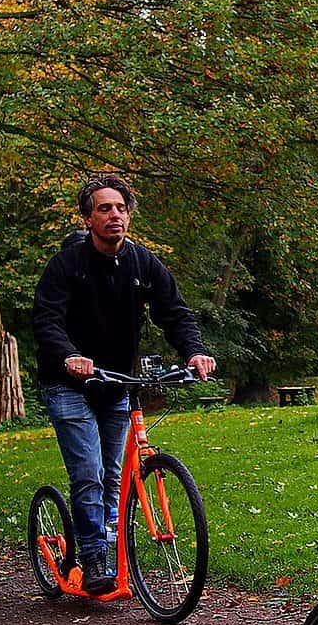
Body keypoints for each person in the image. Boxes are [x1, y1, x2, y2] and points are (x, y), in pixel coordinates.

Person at [31, 175, 216, 596]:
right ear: (87, 217)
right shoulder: (66, 265)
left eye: (120, 208)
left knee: (114, 475)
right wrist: (69, 356)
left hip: (116, 382)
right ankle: (95, 554)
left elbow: (175, 312)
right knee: (89, 475)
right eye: (103, 208)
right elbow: (46, 320)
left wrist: (194, 352)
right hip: (69, 384)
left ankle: (111, 546)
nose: (114, 215)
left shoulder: (141, 261)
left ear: (128, 215)